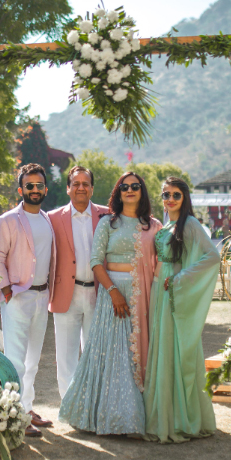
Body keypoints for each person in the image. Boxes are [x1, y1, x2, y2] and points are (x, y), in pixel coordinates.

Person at [59, 172, 160, 435]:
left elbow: (163, 261)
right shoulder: (108, 223)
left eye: (135, 186)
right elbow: (95, 261)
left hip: (142, 295)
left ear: (142, 191)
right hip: (111, 295)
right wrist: (114, 292)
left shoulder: (153, 226)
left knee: (136, 353)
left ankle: (135, 416)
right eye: (125, 186)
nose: (130, 190)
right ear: (118, 192)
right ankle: (109, 417)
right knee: (113, 355)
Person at [144, 178, 221, 443]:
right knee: (161, 347)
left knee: (174, 348)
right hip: (158, 291)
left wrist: (180, 278)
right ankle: (163, 413)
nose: (170, 199)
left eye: (176, 195)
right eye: (166, 194)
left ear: (185, 197)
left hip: (172, 291)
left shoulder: (189, 224)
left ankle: (180, 418)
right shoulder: (167, 224)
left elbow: (212, 256)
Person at [0, 163, 56, 438]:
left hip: (42, 295)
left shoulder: (48, 220)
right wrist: (6, 290)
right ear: (21, 190)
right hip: (17, 297)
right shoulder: (7, 220)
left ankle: (27, 409)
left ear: (45, 189)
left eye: (39, 185)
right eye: (29, 185)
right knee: (16, 360)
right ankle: (15, 416)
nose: (35, 189)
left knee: (33, 361)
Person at [47, 165, 110, 398]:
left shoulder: (107, 215)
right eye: (76, 183)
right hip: (67, 294)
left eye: (85, 184)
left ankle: (93, 406)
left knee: (96, 355)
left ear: (92, 189)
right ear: (68, 188)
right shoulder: (53, 218)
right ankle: (68, 406)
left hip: (98, 294)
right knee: (66, 357)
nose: (80, 188)